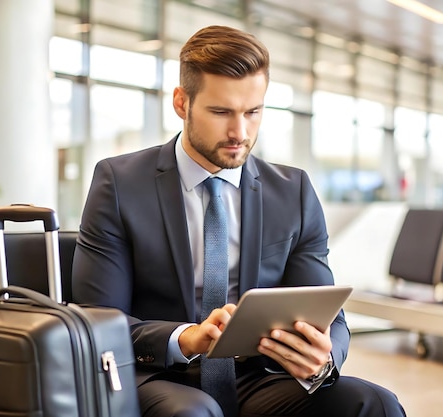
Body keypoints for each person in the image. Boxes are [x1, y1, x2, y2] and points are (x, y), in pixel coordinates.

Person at [72, 25, 406, 417]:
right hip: (161, 376)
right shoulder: (120, 183)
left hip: (259, 377)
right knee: (194, 413)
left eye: (253, 112)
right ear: (182, 103)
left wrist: (322, 356)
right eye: (221, 112)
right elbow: (98, 319)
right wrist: (187, 338)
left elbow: (328, 316)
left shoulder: (292, 191)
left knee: (374, 403)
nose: (240, 132)